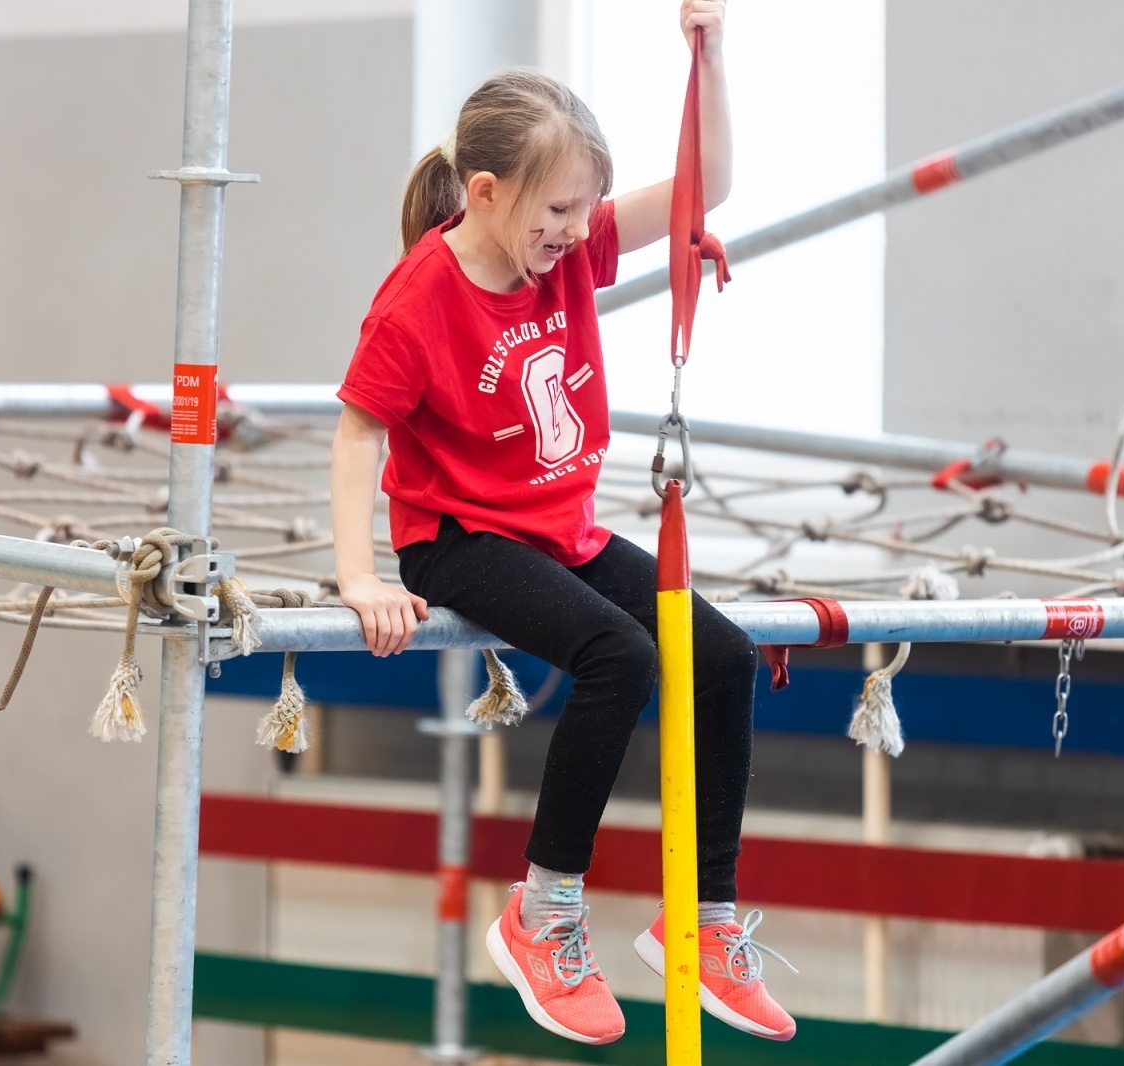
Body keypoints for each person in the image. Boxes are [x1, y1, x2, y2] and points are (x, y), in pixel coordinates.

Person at [332, 0, 793, 1046]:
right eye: (558, 211)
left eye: (587, 209)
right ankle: (543, 913)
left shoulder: (569, 252)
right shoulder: (418, 300)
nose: (579, 231)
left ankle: (703, 916)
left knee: (718, 655)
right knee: (618, 657)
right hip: (458, 537)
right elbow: (358, 432)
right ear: (486, 194)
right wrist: (361, 576)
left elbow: (706, 184)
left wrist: (710, 57)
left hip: (560, 530)